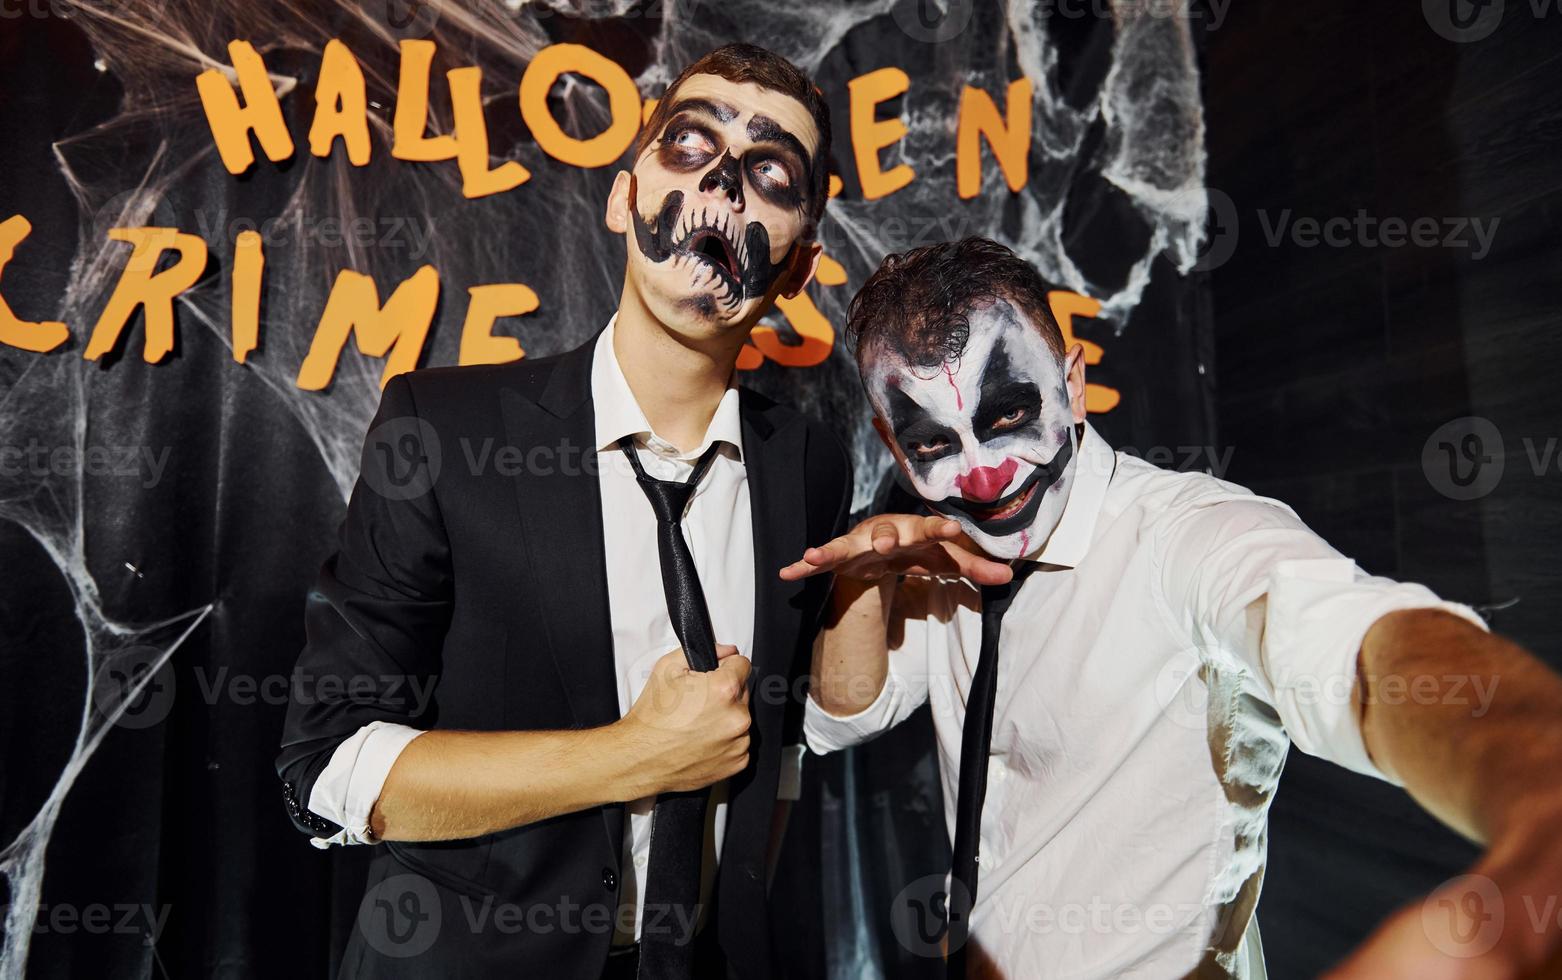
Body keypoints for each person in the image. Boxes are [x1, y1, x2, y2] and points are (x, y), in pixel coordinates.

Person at [785, 237, 1562, 979]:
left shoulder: (1190, 537)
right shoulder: (942, 551)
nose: (984, 476)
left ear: (1073, 383)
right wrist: (866, 575)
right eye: (933, 445)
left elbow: (1358, 647)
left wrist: (1541, 789)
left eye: (1008, 416)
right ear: (893, 446)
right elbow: (843, 715)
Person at [277, 43, 851, 980]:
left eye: (770, 173)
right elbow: (327, 767)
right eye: (690, 144)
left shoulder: (808, 465)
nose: (721, 184)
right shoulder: (444, 427)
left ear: (798, 266)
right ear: (624, 196)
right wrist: (636, 756)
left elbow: (784, 740)